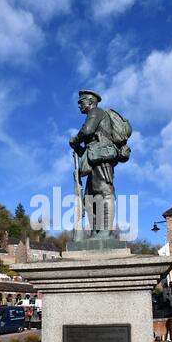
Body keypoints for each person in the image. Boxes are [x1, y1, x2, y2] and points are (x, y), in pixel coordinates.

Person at [69, 90, 116, 239]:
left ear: (90, 101)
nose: (78, 105)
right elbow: (89, 147)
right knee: (90, 199)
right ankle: (95, 231)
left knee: (104, 192)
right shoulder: (94, 114)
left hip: (101, 160)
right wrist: (78, 148)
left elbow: (87, 130)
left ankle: (105, 231)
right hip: (93, 161)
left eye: (80, 101)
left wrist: (74, 140)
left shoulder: (96, 111)